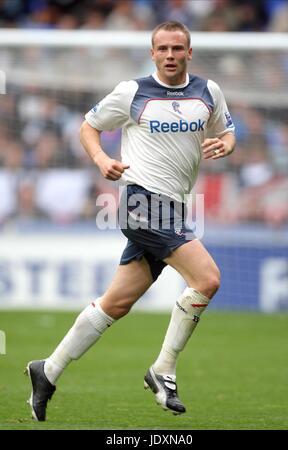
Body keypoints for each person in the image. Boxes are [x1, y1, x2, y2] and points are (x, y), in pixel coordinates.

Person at [25, 20, 236, 421]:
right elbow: (88, 126)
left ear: (189, 53)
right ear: (152, 52)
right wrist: (102, 159)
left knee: (116, 304)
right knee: (207, 279)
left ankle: (47, 370)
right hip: (141, 202)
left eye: (178, 49)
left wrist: (224, 144)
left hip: (174, 207)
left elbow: (227, 132)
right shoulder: (133, 92)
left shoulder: (209, 92)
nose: (170, 55)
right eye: (163, 49)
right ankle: (164, 369)